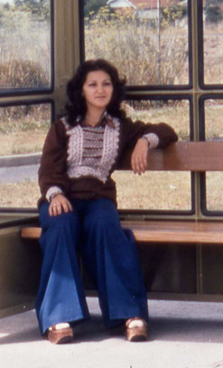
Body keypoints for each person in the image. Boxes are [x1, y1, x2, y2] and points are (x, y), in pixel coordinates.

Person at [36, 59, 178, 344]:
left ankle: (129, 314)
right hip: (62, 198)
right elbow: (48, 170)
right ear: (81, 90)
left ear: (114, 89)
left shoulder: (120, 127)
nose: (100, 90)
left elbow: (166, 131)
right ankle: (58, 318)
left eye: (106, 84)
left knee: (106, 227)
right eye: (93, 84)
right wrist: (56, 194)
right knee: (61, 226)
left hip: (99, 200)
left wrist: (143, 142)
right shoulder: (62, 128)